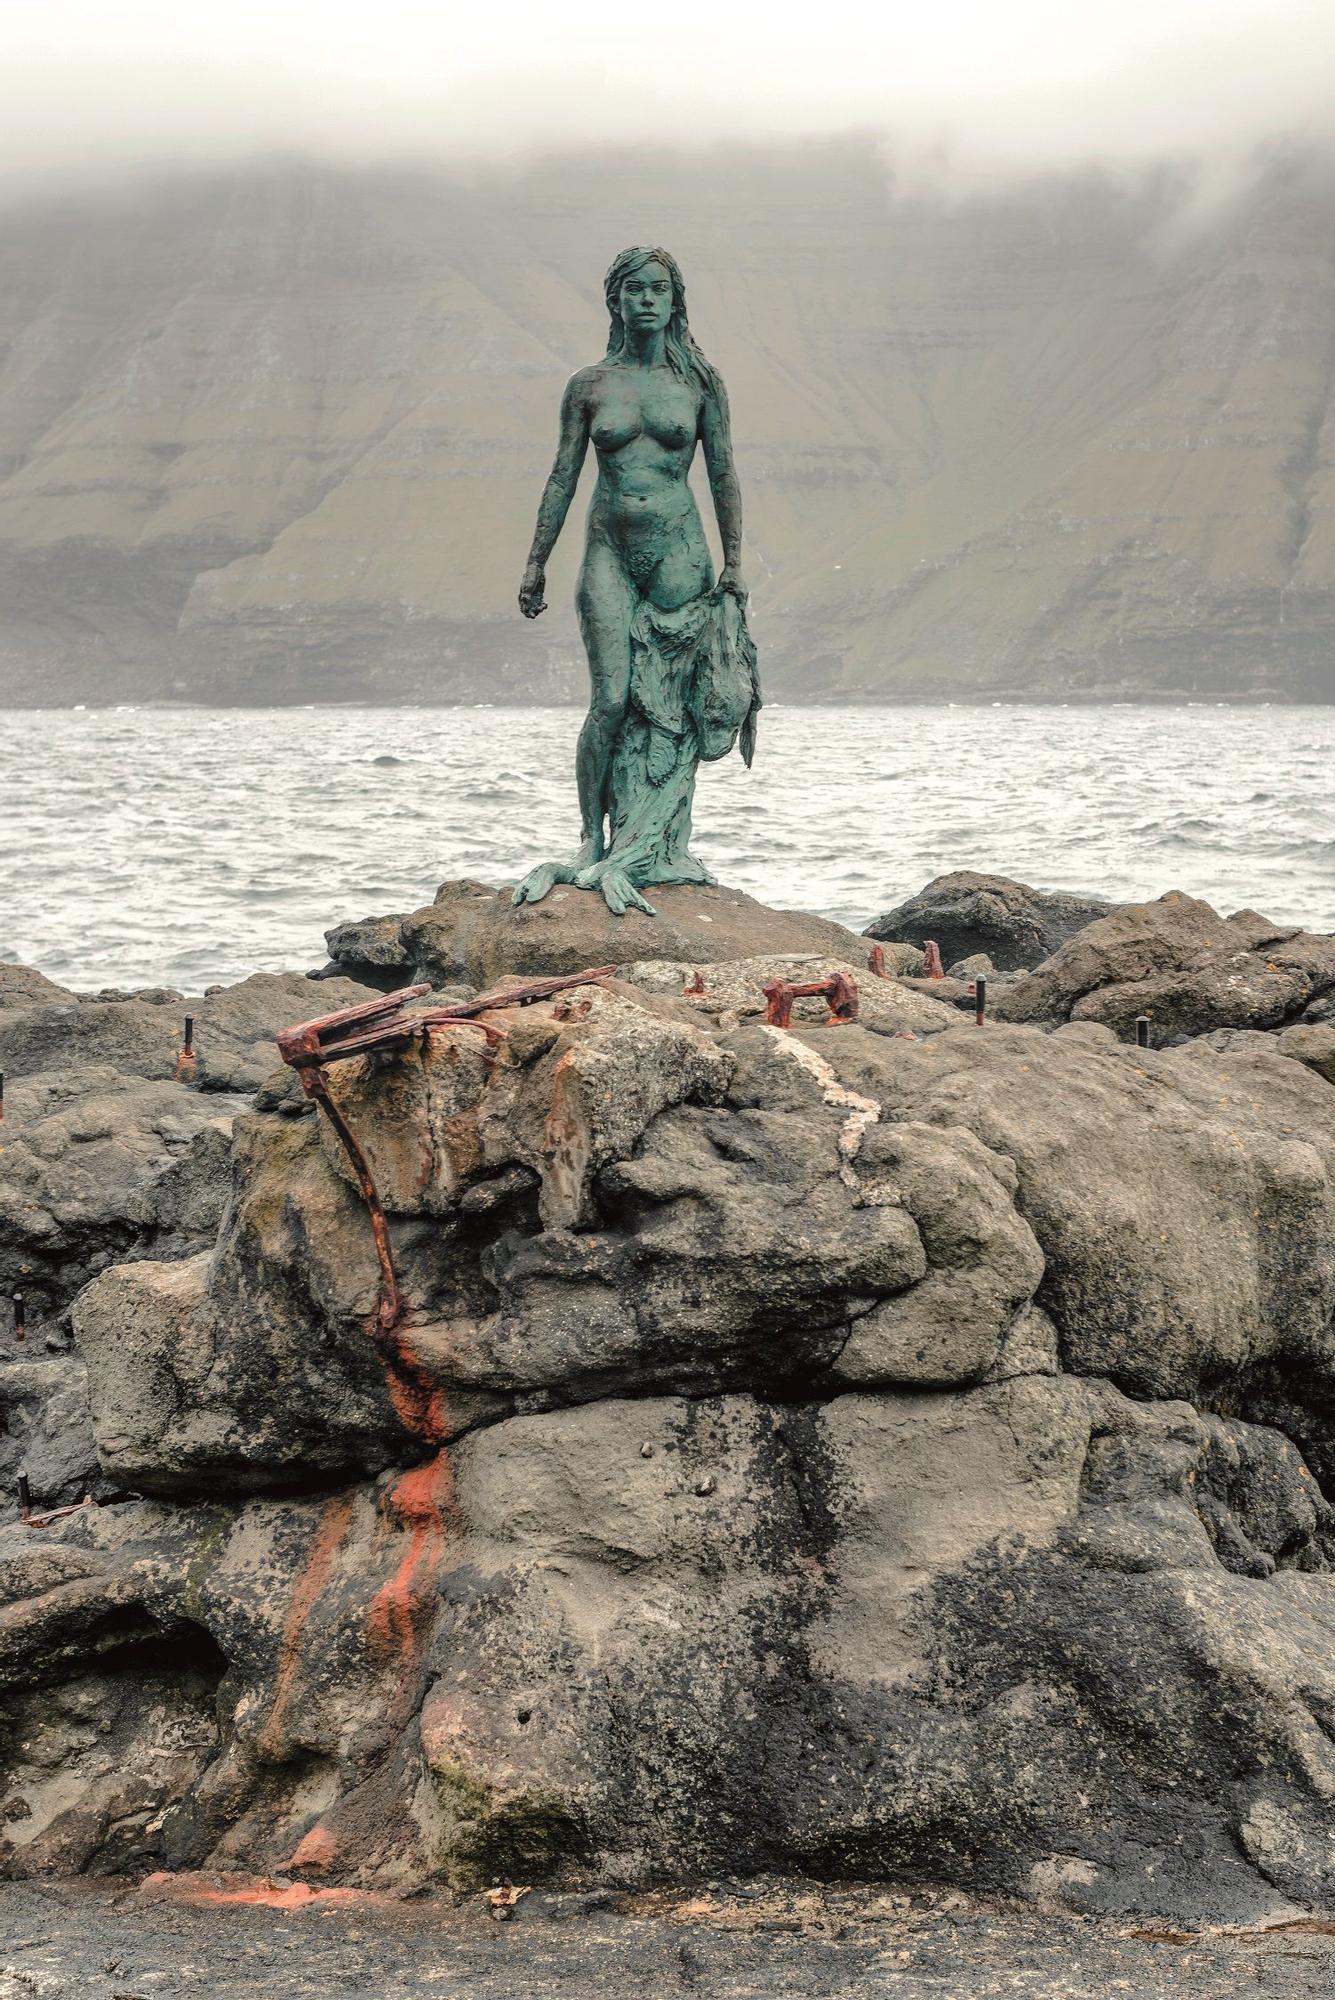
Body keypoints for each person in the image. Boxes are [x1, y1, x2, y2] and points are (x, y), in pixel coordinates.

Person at [514, 246, 757, 916]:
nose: (647, 300)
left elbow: (722, 473)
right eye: (634, 290)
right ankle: (593, 836)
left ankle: (656, 845)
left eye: (658, 289)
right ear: (615, 301)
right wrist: (536, 558)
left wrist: (735, 563)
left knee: (675, 708)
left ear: (675, 300)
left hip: (680, 551)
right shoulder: (590, 386)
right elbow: (563, 474)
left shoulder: (699, 383)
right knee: (612, 700)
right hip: (608, 551)